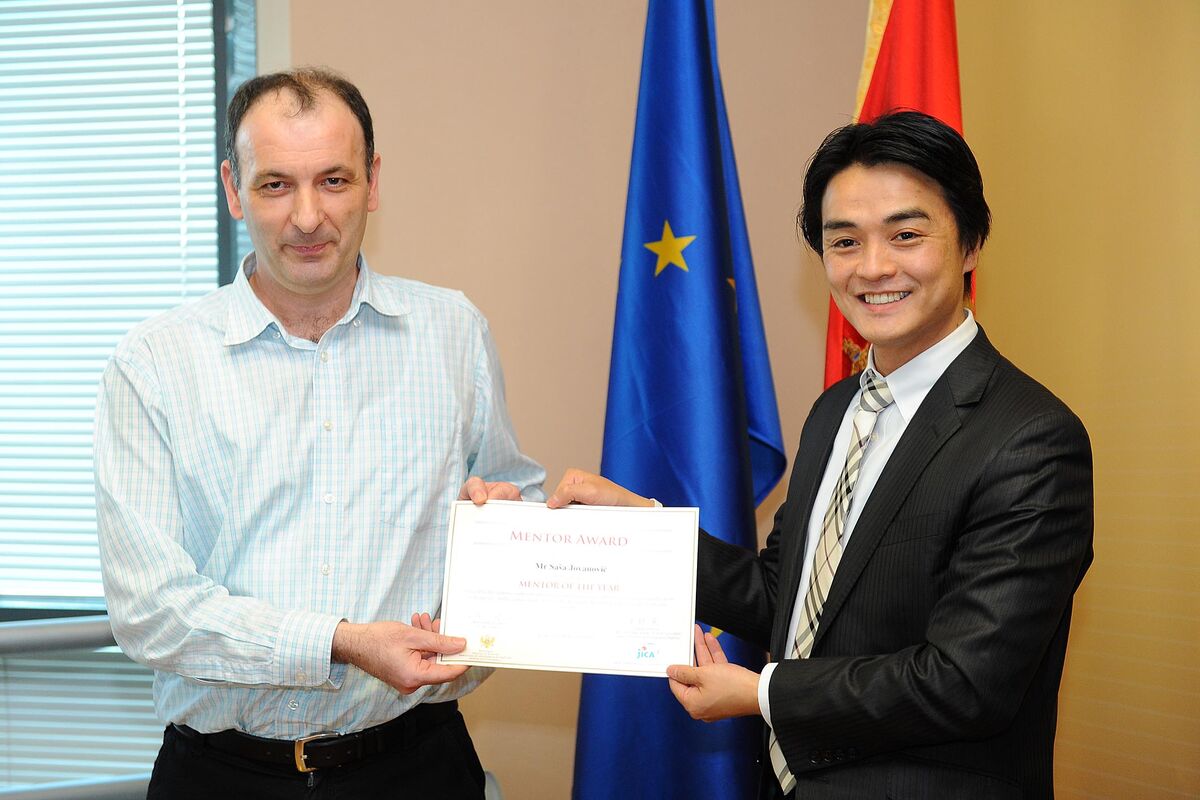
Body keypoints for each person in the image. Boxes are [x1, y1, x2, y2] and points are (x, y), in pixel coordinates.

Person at [545, 111, 1093, 799]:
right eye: (845, 241)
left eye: (906, 235)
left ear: (971, 243)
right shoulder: (837, 410)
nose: (873, 267)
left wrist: (762, 693)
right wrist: (644, 531)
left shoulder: (1031, 439)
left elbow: (965, 683)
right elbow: (787, 596)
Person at [94, 68, 544, 798]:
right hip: (222, 777)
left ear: (373, 181)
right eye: (276, 185)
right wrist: (343, 642)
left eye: (333, 180)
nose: (308, 217)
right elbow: (150, 612)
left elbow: (515, 498)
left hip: (418, 764)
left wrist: (507, 528)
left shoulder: (453, 333)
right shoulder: (153, 364)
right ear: (234, 189)